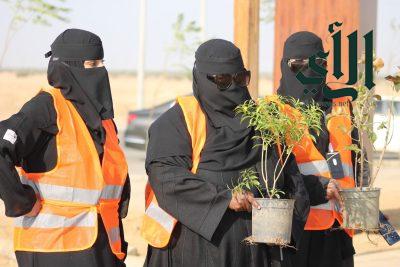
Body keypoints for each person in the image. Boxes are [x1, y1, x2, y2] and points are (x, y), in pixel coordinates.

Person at [141, 39, 310, 267]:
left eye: (240, 79)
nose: (233, 87)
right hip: (193, 250)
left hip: (257, 253)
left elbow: (291, 180)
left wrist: (284, 236)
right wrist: (225, 199)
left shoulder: (263, 124)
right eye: (222, 81)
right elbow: (166, 177)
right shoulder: (179, 121)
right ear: (201, 77)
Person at [0, 29, 130, 267]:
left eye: (102, 63)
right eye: (92, 64)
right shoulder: (46, 107)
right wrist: (21, 201)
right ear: (70, 66)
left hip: (101, 248)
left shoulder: (102, 119)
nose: (100, 71)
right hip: (53, 250)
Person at [277, 31, 367, 267]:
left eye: (316, 64)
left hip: (337, 235)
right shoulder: (271, 113)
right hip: (291, 234)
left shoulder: (341, 106)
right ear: (283, 66)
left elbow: (357, 162)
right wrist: (315, 188)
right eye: (297, 65)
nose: (308, 73)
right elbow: (267, 178)